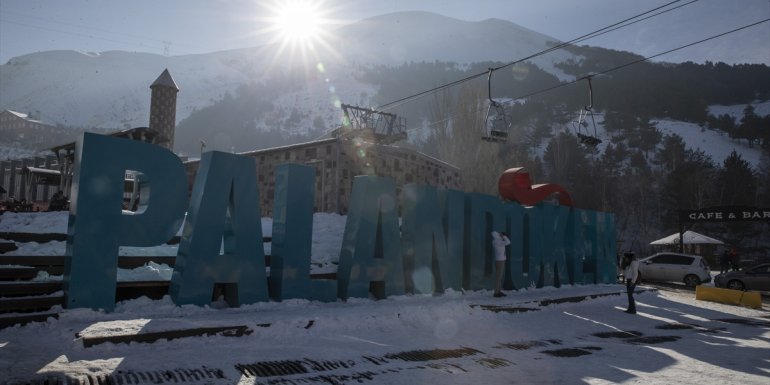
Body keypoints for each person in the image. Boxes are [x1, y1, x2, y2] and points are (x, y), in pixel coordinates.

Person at [491, 231, 511, 298]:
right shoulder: (498, 242)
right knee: (498, 277)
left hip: (498, 260)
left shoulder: (494, 241)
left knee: (499, 277)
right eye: (498, 234)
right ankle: (496, 293)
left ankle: (498, 291)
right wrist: (504, 236)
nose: (500, 235)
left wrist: (502, 236)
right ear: (497, 235)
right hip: (500, 261)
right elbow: (508, 242)